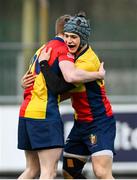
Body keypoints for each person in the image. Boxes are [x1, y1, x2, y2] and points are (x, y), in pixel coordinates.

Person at [18, 14, 105, 179]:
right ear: (66, 32)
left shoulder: (42, 49)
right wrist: (97, 74)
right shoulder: (62, 49)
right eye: (70, 35)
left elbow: (29, 80)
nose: (71, 40)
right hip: (43, 114)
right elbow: (69, 78)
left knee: (31, 170)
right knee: (48, 172)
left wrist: (23, 82)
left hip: (26, 112)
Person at [38, 12, 116, 179]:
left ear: (83, 38)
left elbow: (69, 79)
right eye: (66, 36)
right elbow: (66, 89)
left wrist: (98, 75)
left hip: (99, 123)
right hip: (80, 124)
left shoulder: (88, 61)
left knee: (102, 172)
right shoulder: (71, 56)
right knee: (70, 173)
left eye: (73, 37)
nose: (68, 41)